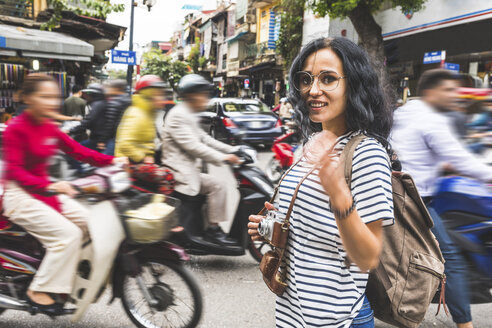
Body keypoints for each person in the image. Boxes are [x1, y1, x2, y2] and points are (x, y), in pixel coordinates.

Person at [248, 37, 395, 328]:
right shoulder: (313, 142)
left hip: (339, 319)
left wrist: (340, 196)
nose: (313, 90)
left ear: (353, 84)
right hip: (293, 313)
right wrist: (272, 225)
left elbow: (367, 257)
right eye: (306, 79)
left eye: (328, 79)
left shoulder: (366, 153)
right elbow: (311, 226)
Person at [2, 74, 126, 316]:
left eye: (55, 97)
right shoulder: (16, 129)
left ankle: (66, 277)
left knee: (93, 224)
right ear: (28, 98)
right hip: (20, 196)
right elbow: (15, 172)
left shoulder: (49, 127)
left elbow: (78, 151)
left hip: (44, 191)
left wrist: (114, 161)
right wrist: (53, 186)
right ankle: (37, 291)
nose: (51, 103)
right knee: (68, 235)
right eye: (44, 97)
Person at [390, 69, 492, 328]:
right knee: (451, 260)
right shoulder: (431, 119)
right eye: (448, 90)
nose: (454, 95)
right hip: (417, 202)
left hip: (396, 194)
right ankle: (465, 324)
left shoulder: (404, 112)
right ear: (430, 92)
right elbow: (461, 158)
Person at [161, 74, 242, 247]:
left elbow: (204, 139)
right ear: (191, 96)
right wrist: (225, 158)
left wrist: (233, 150)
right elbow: (194, 147)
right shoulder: (178, 115)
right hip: (179, 173)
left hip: (189, 170)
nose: (206, 98)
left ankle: (212, 228)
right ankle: (213, 230)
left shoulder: (187, 113)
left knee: (217, 185)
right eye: (203, 94)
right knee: (217, 185)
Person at [115, 75, 166, 163]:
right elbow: (125, 144)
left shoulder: (148, 113)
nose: (162, 99)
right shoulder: (137, 114)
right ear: (148, 96)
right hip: (129, 166)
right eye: (158, 94)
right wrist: (144, 158)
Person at [69, 83, 107, 151]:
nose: (86, 95)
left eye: (88, 93)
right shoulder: (98, 103)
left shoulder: (97, 105)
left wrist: (71, 131)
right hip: (97, 138)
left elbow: (88, 121)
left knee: (75, 151)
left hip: (98, 139)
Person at [100, 80, 131, 156]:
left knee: (104, 161)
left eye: (110, 88)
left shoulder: (115, 102)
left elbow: (109, 123)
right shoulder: (129, 100)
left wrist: (103, 140)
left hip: (114, 138)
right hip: (126, 137)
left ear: (116, 88)